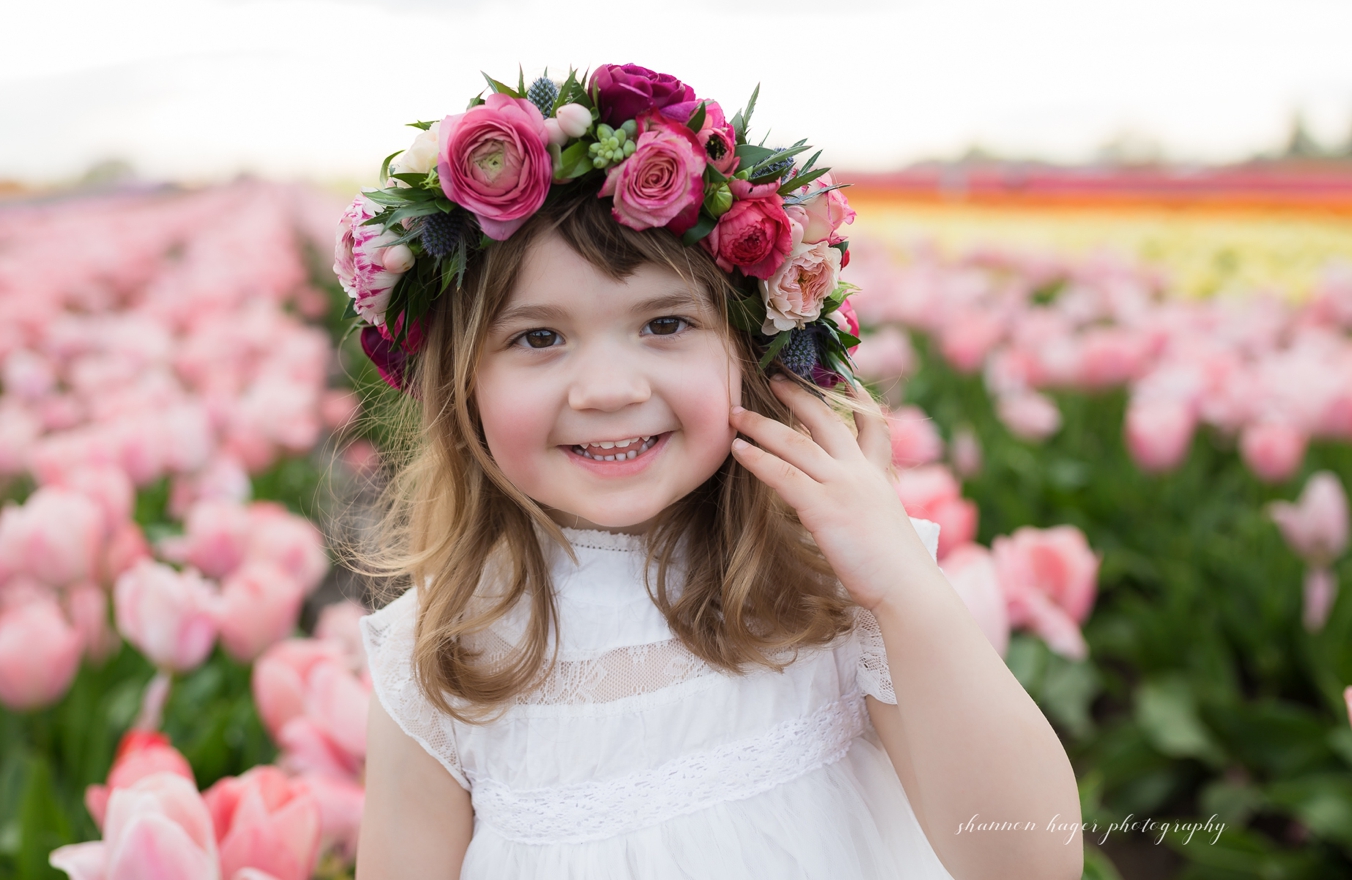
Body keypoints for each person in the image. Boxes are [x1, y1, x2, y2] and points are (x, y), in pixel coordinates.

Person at [335, 64, 1083, 880]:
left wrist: (902, 587)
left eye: (665, 322)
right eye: (539, 338)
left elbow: (1030, 862)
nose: (610, 389)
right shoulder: (442, 660)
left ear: (748, 352)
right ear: (462, 385)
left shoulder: (829, 592)